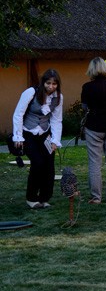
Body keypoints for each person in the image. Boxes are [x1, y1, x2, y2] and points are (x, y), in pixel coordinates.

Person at [12, 69, 63, 209]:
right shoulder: (30, 92)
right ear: (43, 82)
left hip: (45, 134)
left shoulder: (58, 97)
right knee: (37, 163)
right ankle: (31, 198)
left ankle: (44, 198)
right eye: (48, 83)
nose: (51, 87)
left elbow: (56, 120)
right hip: (27, 133)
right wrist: (18, 136)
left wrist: (54, 140)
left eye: (54, 84)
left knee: (49, 165)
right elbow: (18, 114)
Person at [81, 57, 106, 204]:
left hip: (94, 126)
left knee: (95, 163)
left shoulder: (87, 87)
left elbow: (84, 108)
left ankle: (96, 197)